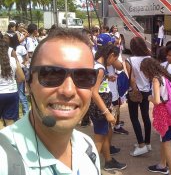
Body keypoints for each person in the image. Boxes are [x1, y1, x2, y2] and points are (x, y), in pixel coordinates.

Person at [0, 28, 101, 174]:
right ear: (29, 84)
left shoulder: (87, 147)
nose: (68, 91)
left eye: (84, 76)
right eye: (51, 74)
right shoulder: (4, 160)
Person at [89, 43, 127, 171]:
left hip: (98, 107)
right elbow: (94, 92)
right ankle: (88, 168)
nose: (114, 62)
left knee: (104, 134)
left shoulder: (97, 65)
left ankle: (109, 161)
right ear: (111, 55)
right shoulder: (100, 69)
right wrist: (107, 112)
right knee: (98, 140)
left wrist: (107, 77)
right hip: (100, 108)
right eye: (115, 59)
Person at [140, 58, 171, 175]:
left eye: (144, 71)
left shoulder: (156, 79)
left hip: (163, 112)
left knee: (166, 143)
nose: (145, 75)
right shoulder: (165, 75)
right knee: (165, 140)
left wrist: (149, 98)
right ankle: (162, 165)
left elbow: (157, 100)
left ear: (149, 70)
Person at [125, 37, 152, 156]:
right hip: (147, 91)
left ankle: (141, 145)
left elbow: (131, 79)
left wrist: (135, 91)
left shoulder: (129, 60)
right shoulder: (149, 58)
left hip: (135, 92)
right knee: (146, 116)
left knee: (134, 117)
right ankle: (148, 143)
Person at [0, 39, 25, 128]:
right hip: (11, 93)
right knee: (10, 121)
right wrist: (14, 82)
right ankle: (8, 141)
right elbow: (22, 78)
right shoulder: (13, 60)